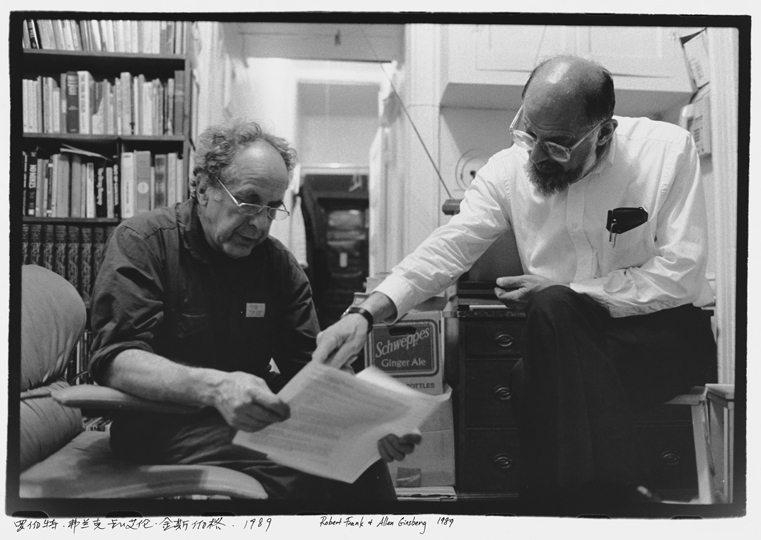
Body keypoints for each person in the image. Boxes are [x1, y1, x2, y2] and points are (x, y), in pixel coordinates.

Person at [312, 55, 716, 508]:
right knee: (545, 344)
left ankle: (556, 513)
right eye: (529, 132)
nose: (538, 153)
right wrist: (366, 314)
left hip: (661, 337)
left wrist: (572, 293)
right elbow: (451, 246)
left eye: (558, 144)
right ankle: (616, 502)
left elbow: (682, 273)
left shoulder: (667, 150)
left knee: (540, 357)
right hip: (565, 339)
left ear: (604, 132)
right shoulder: (509, 168)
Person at [88, 119, 420, 501]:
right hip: (160, 424)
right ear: (202, 187)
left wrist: (369, 422)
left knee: (359, 457)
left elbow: (312, 367)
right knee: (301, 462)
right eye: (248, 201)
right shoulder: (143, 243)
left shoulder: (277, 265)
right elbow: (117, 359)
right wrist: (216, 387)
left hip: (253, 420)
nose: (260, 223)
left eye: (272, 208)